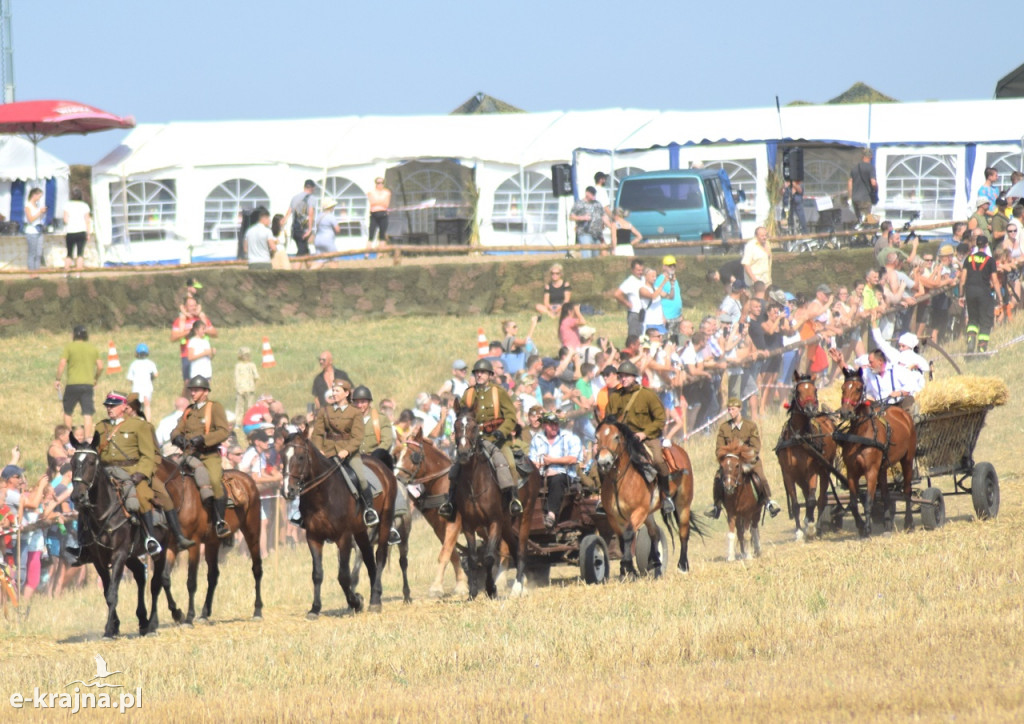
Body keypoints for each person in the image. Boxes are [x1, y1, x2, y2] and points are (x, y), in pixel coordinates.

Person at [70, 391, 195, 565]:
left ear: (123, 407)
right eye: (107, 406)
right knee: (84, 500)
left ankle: (150, 539)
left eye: (113, 406)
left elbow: (148, 455)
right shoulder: (101, 427)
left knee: (140, 499)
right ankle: (83, 546)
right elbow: (95, 453)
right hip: (106, 471)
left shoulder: (138, 426)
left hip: (132, 471)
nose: (109, 409)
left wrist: (141, 473)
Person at [438, 359, 526, 521]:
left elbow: (511, 416)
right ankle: (450, 502)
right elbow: (462, 414)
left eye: (483, 372)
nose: (479, 374)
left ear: (490, 375)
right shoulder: (468, 393)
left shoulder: (499, 392)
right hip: (474, 441)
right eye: (477, 372)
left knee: (509, 463)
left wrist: (502, 431)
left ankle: (514, 499)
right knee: (456, 468)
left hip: (497, 439)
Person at [606, 360, 674, 513]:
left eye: (627, 376)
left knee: (657, 460)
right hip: (622, 440)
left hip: (646, 438)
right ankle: (604, 498)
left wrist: (644, 433)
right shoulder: (615, 397)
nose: (623, 379)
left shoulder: (647, 395)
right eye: (621, 376)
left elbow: (660, 419)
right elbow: (608, 420)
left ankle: (666, 495)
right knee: (603, 462)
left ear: (634, 377)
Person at [310, 379, 379, 527]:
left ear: (346, 393)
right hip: (327, 452)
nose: (334, 393)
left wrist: (346, 450)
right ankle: (305, 513)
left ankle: (369, 509)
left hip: (349, 452)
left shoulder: (355, 412)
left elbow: (358, 437)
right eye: (333, 390)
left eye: (337, 391)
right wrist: (319, 448)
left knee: (360, 477)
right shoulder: (324, 411)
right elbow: (317, 434)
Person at [170, 376, 232, 538]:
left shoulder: (214, 407)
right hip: (189, 455)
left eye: (196, 390)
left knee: (214, 481)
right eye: (191, 390)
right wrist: (177, 438)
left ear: (205, 392)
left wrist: (204, 439)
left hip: (208, 455)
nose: (193, 393)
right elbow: (177, 430)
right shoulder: (189, 410)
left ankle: (219, 521)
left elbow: (224, 431)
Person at [706, 398, 781, 519]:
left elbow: (756, 446)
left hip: (749, 461)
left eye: (733, 409)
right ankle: (717, 506)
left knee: (760, 477)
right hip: (730, 462)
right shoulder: (724, 427)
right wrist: (727, 458)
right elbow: (719, 448)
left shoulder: (750, 426)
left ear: (740, 409)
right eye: (729, 409)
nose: (731, 412)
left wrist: (746, 456)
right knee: (718, 478)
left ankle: (768, 502)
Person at [529, 411, 583, 528]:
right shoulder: (536, 439)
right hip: (541, 474)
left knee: (557, 479)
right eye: (550, 424)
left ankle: (551, 514)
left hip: (564, 474)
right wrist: (537, 464)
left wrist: (552, 461)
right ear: (544, 425)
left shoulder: (569, 437)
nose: (554, 427)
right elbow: (532, 459)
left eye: (556, 424)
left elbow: (573, 459)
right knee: (528, 482)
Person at [55, 325, 103, 440]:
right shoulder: (92, 348)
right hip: (87, 385)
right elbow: (100, 366)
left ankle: (69, 438)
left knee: (68, 411)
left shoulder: (69, 347)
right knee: (87, 413)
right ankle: (87, 439)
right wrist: (95, 378)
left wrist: (58, 379)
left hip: (72, 384)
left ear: (74, 335)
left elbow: (62, 364)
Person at [959, 235, 1001, 353]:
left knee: (972, 319)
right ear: (986, 245)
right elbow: (995, 280)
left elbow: (962, 280)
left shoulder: (969, 259)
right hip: (984, 293)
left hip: (970, 292)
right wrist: (1000, 298)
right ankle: (982, 348)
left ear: (977, 245)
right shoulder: (990, 260)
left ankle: (971, 339)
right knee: (985, 320)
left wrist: (961, 296)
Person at [171, 297, 217, 382]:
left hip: (204, 355)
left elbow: (214, 333)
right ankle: (185, 396)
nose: (194, 308)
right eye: (191, 306)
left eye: (195, 305)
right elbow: (173, 338)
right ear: (185, 308)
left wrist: (202, 330)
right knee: (188, 383)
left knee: (204, 384)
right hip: (187, 355)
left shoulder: (201, 319)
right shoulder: (180, 320)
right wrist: (188, 332)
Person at [614, 257, 648, 339]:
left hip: (645, 313)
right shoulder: (629, 281)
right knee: (634, 337)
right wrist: (627, 303)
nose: (640, 272)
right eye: (638, 270)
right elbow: (617, 294)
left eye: (641, 270)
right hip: (634, 313)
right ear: (632, 270)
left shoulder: (644, 279)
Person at [570, 186, 609, 258]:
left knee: (595, 256)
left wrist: (610, 225)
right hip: (585, 233)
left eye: (594, 194)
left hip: (597, 234)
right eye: (592, 194)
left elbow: (603, 216)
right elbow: (571, 217)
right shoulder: (579, 204)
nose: (593, 196)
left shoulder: (597, 204)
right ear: (587, 193)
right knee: (587, 255)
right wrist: (582, 218)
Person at [125, 343, 158, 421]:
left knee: (135, 406)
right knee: (147, 405)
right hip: (147, 387)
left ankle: (136, 420)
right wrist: (151, 378)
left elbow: (130, 378)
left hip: (136, 388)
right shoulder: (150, 363)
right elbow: (156, 374)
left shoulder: (134, 364)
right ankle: (148, 422)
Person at [63, 187, 91, 275]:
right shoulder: (84, 205)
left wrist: (71, 223)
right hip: (81, 230)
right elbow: (87, 220)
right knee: (80, 253)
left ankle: (66, 272)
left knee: (69, 253)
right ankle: (78, 273)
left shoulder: (67, 205)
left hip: (71, 231)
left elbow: (65, 219)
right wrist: (88, 233)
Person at [285, 179, 316, 258]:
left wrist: (283, 223)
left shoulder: (295, 198)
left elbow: (289, 212)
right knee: (301, 253)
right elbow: (310, 213)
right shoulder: (311, 198)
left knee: (305, 251)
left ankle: (310, 270)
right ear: (312, 188)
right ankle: (295, 270)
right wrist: (309, 230)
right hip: (303, 229)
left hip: (295, 228)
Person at [847, 148, 878, 221]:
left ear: (862, 156)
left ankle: (859, 231)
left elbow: (850, 183)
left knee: (859, 220)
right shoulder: (870, 168)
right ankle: (867, 232)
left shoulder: (854, 168)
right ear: (871, 157)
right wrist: (876, 189)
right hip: (865, 199)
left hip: (855, 199)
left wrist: (850, 197)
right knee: (867, 221)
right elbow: (873, 182)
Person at [234, 346, 259, 430]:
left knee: (250, 406)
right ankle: (238, 422)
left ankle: (249, 421)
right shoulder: (238, 366)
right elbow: (236, 377)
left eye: (248, 355)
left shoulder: (252, 365)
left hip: (250, 388)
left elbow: (256, 376)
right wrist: (238, 388)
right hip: (240, 389)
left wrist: (253, 385)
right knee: (239, 406)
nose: (246, 356)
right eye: (245, 355)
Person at [656, 256, 683, 333]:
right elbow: (657, 300)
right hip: (667, 317)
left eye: (674, 265)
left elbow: (677, 297)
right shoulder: (660, 280)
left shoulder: (674, 279)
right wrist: (662, 316)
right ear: (664, 267)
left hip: (677, 316)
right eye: (669, 265)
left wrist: (680, 314)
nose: (672, 267)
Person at [23, 187, 46, 275]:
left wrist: (42, 213)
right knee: (32, 253)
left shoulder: (37, 205)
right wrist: (40, 212)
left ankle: (37, 272)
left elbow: (38, 218)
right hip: (31, 232)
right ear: (34, 195)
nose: (40, 198)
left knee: (39, 253)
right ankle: (32, 273)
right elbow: (30, 219)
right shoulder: (27, 205)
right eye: (39, 196)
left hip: (39, 231)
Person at [367, 177, 391, 253]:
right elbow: (373, 202)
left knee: (382, 235)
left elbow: (385, 203)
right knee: (371, 234)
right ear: (375, 184)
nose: (380, 185)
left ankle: (380, 254)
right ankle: (366, 253)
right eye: (378, 183)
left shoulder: (387, 192)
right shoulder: (371, 192)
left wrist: (379, 203)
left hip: (383, 214)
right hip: (374, 214)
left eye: (381, 183)